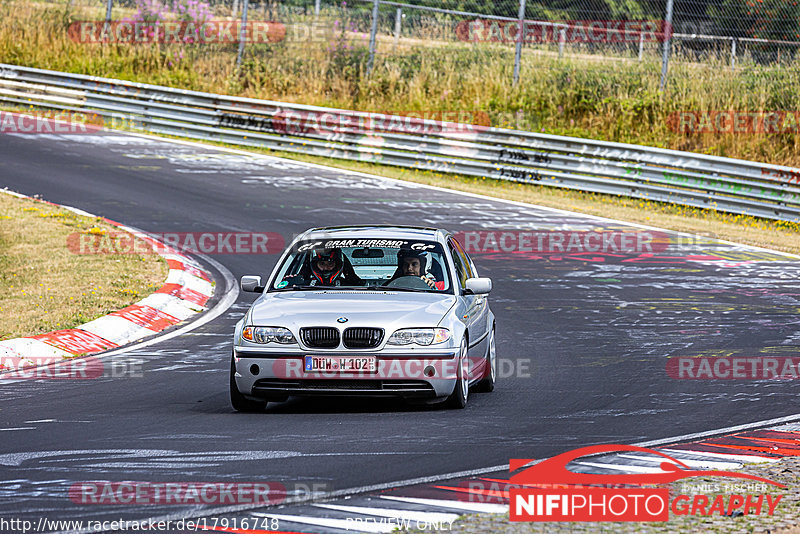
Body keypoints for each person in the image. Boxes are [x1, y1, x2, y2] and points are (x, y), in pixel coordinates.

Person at [281, 248, 362, 287]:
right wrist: (288, 283)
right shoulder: (299, 285)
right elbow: (279, 288)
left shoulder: (353, 286)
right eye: (322, 264)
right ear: (315, 265)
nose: (326, 267)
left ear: (337, 265)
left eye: (330, 263)